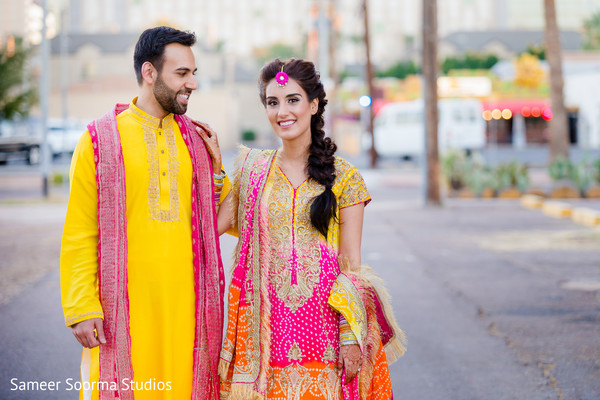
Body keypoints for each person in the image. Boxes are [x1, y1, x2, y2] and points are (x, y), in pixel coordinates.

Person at [215, 58, 406, 400]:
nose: (282, 111)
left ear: (313, 104)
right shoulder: (252, 171)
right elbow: (214, 224)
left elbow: (351, 262)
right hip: (265, 332)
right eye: (272, 102)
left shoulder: (344, 176)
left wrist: (350, 335)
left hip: (324, 328)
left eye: (292, 99)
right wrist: (209, 162)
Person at [60, 26, 228, 400]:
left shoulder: (198, 142)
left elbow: (225, 218)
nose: (193, 84)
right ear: (150, 73)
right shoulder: (99, 141)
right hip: (125, 318)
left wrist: (217, 171)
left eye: (194, 74)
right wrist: (81, 306)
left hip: (190, 316)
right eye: (182, 74)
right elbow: (79, 232)